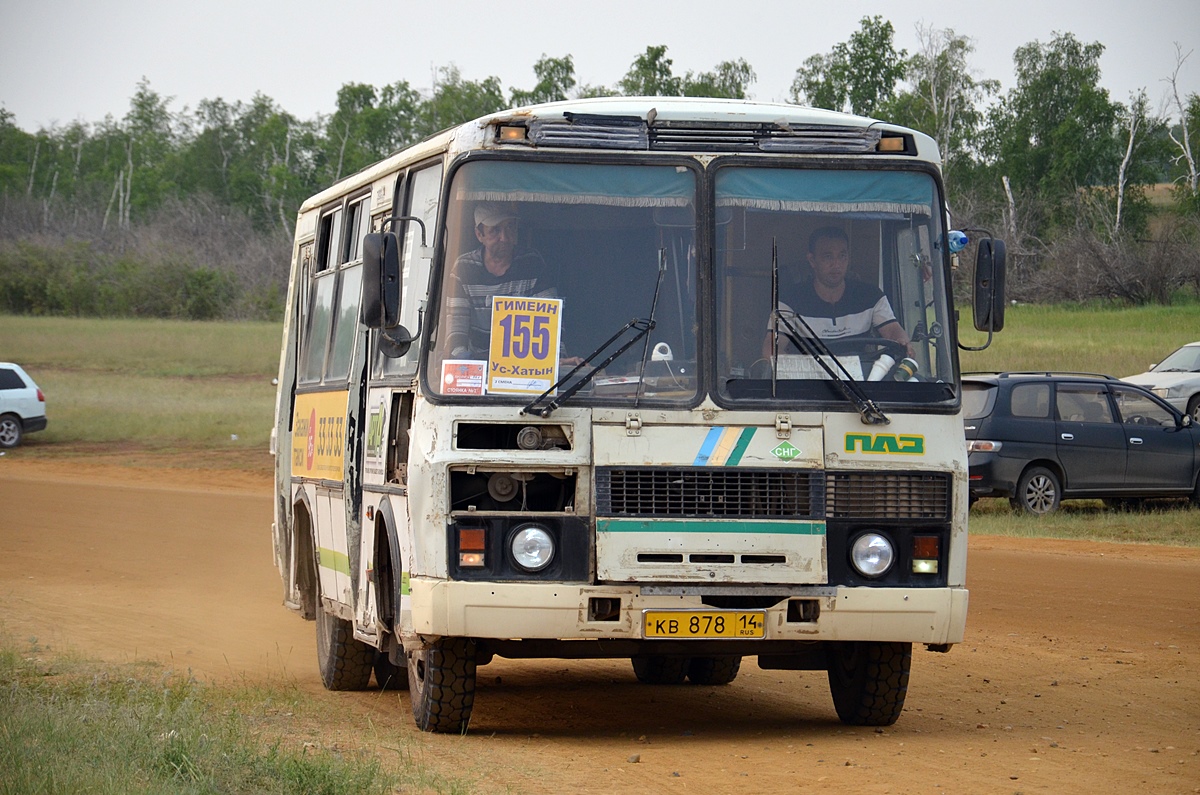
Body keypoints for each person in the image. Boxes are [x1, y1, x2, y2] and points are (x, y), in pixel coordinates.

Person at [763, 225, 912, 360]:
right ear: (812, 260)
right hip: (808, 384)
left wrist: (902, 342)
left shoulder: (871, 296)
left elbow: (893, 331)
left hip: (861, 385)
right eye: (828, 257)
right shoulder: (789, 300)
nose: (836, 264)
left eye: (842, 256)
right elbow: (771, 349)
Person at [443, 202, 558, 360]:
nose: (504, 238)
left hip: (526, 364)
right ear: (479, 235)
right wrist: (462, 360)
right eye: (495, 230)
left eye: (510, 228)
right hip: (477, 361)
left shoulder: (532, 263)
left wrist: (556, 358)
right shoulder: (464, 268)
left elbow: (549, 320)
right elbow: (456, 325)